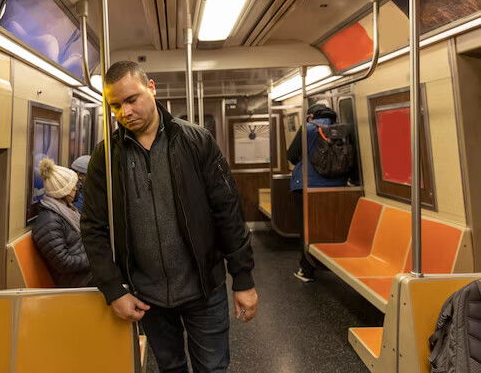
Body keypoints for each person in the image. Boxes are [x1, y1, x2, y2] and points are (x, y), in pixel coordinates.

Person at [81, 61, 258, 373]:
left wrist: (242, 277)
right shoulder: (106, 156)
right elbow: (93, 227)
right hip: (147, 295)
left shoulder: (196, 141)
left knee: (213, 368)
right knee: (170, 367)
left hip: (203, 286)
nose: (125, 112)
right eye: (115, 105)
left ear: (151, 88)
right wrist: (113, 289)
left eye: (132, 99)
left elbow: (227, 211)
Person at [287, 104, 348, 282]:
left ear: (310, 116)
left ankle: (307, 270)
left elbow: (291, 155)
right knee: (330, 227)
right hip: (338, 185)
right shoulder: (342, 129)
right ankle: (333, 265)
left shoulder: (308, 129)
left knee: (306, 229)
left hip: (306, 185)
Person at [32, 158, 92, 288]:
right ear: (63, 192)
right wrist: (94, 259)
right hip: (77, 281)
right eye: (73, 188)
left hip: (85, 272)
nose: (77, 189)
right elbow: (63, 263)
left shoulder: (68, 209)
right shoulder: (48, 222)